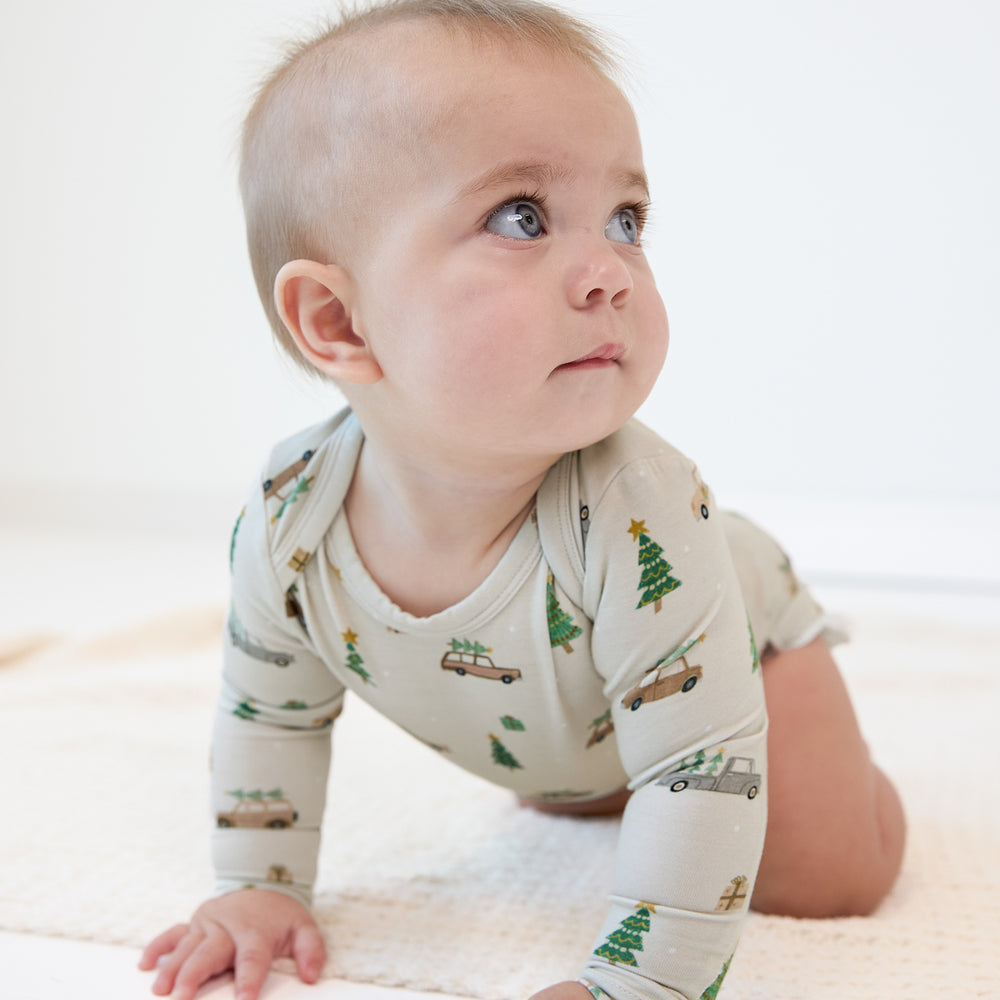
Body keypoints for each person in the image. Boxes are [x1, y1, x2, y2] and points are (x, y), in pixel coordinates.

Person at [139, 2, 906, 999]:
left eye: (626, 221)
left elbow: (696, 770)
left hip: (739, 661)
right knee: (594, 793)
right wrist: (257, 886)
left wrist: (633, 983)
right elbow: (270, 713)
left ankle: (847, 766)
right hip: (575, 726)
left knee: (827, 875)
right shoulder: (293, 518)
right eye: (522, 217)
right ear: (337, 319)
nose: (609, 273)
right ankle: (612, 767)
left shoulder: (644, 517)